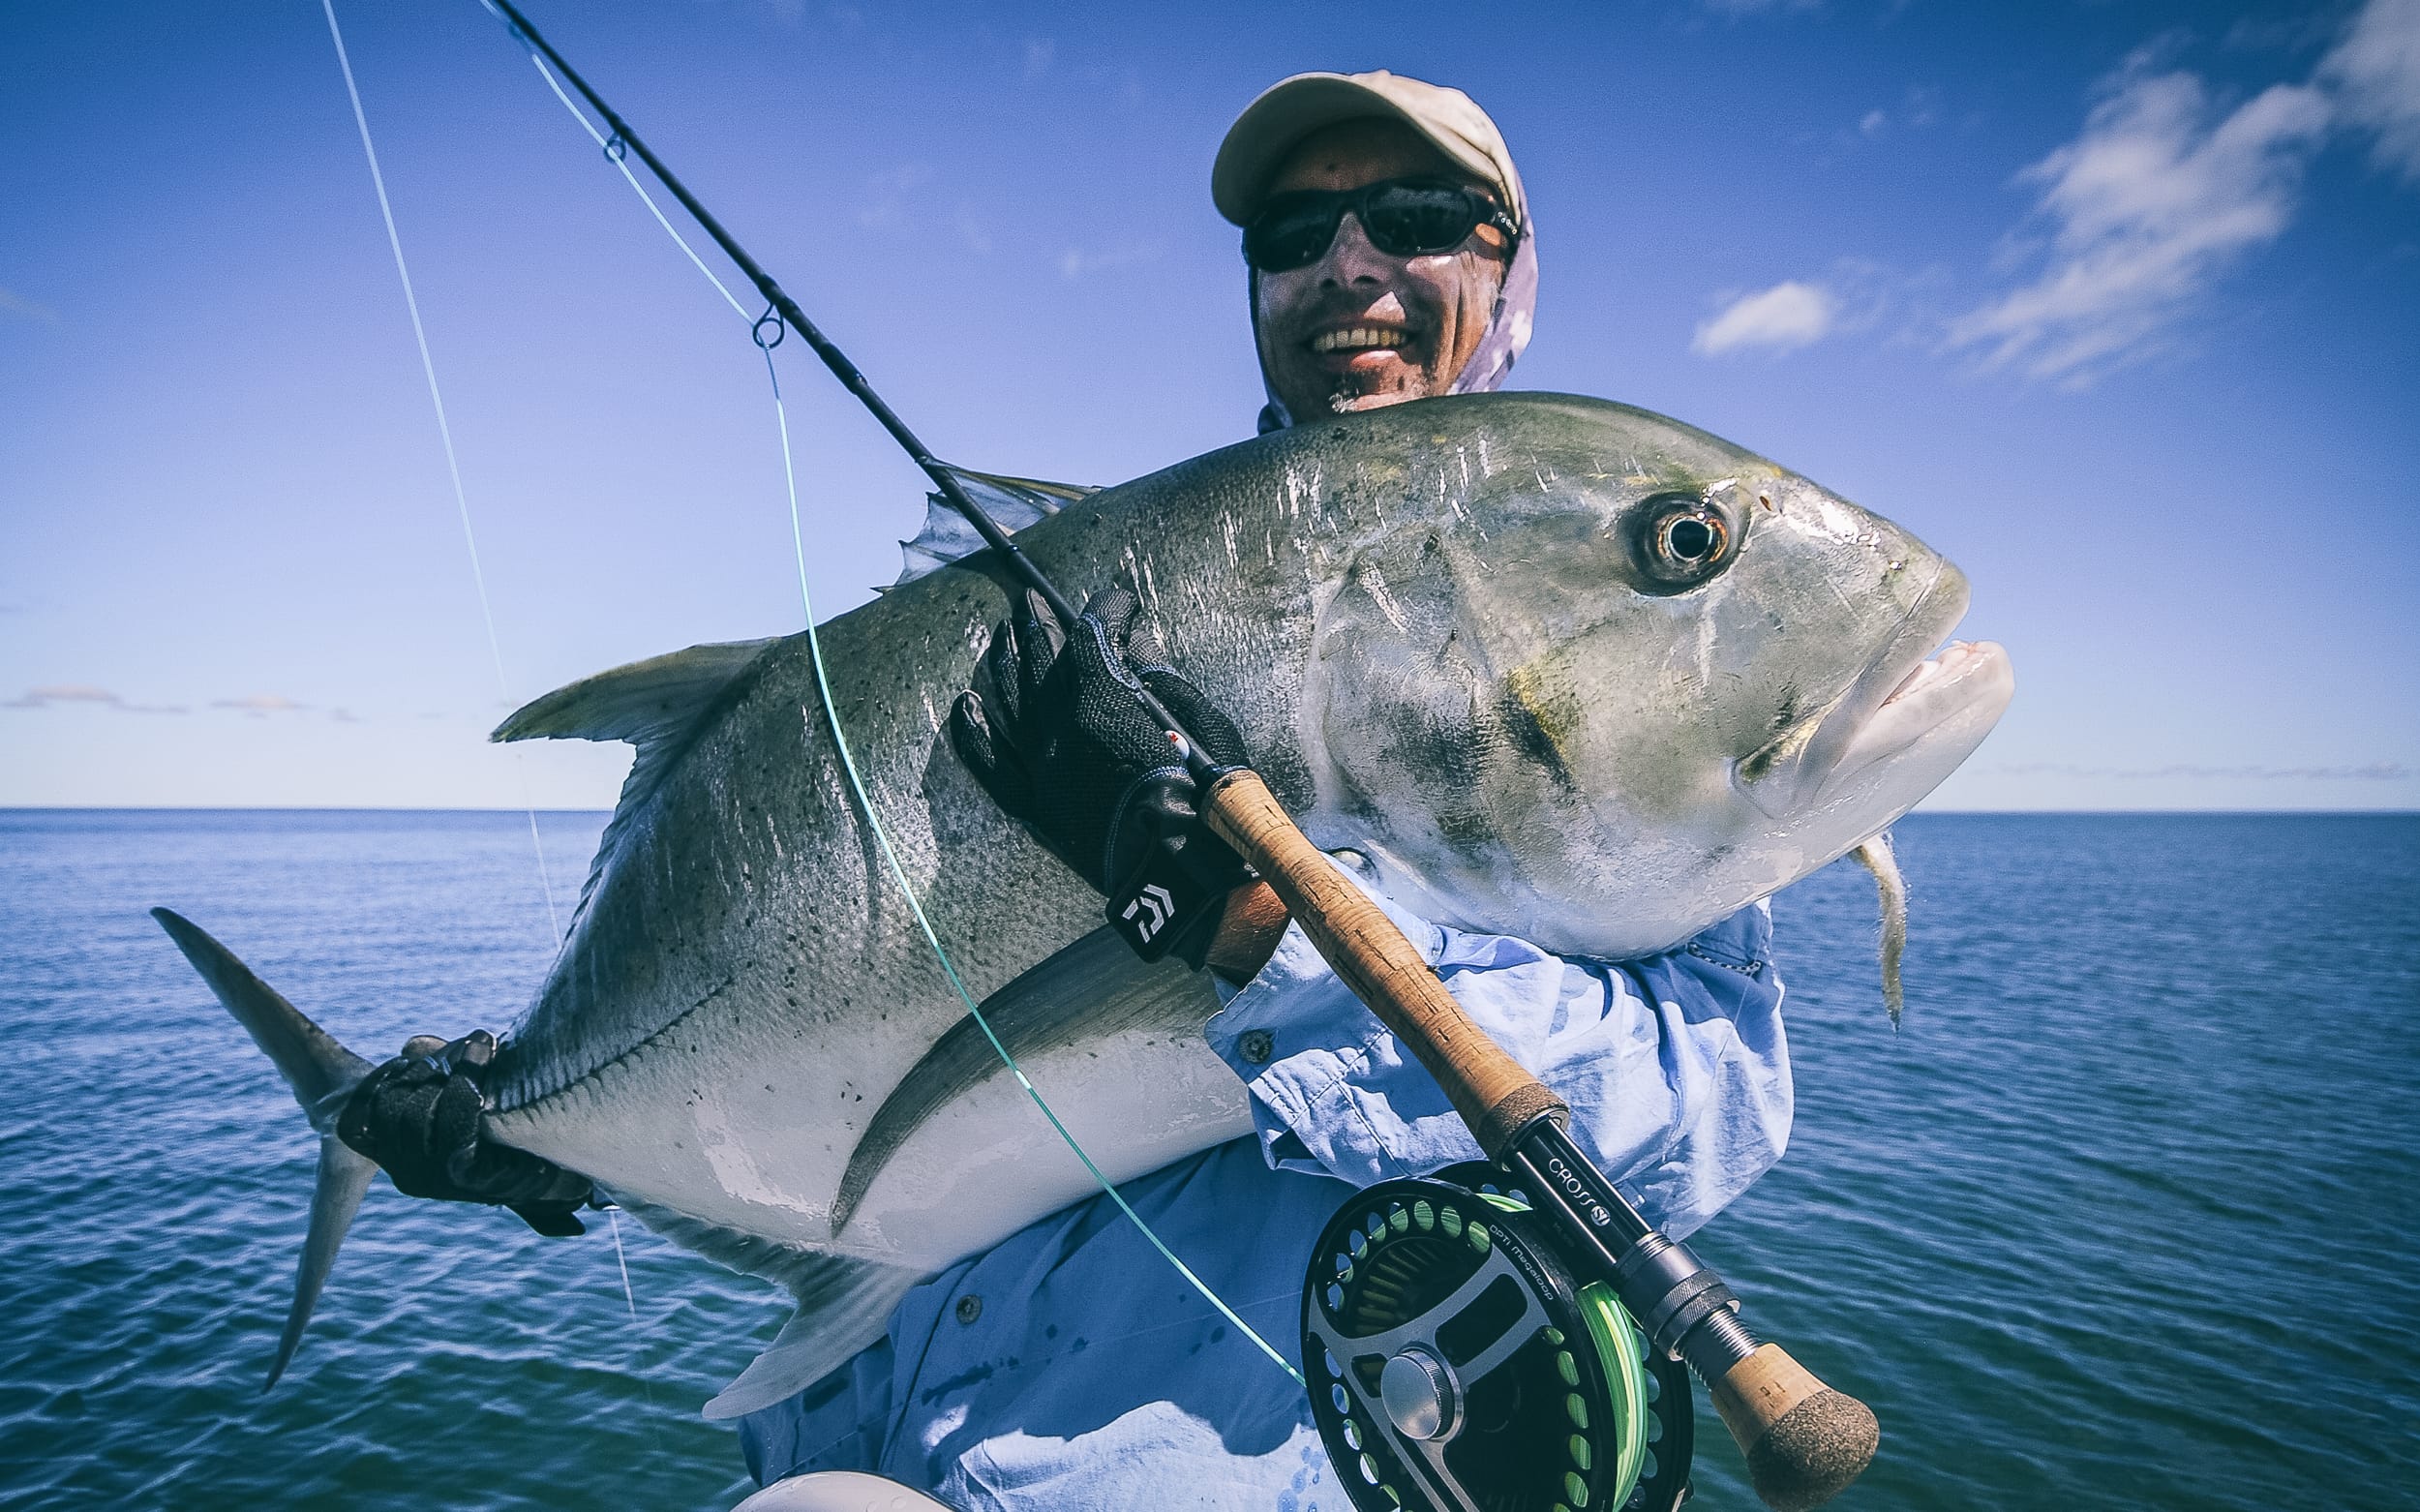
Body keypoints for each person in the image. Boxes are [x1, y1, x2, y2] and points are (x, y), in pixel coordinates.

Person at [339, 73, 1792, 1511]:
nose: (1348, 262)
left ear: (1508, 273)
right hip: (863, 1431)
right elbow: (808, 1030)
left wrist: (1255, 938)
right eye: (1293, 233)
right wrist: (547, 1137)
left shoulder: (1643, 713)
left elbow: (1704, 1104)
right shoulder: (1076, 627)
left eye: (1413, 216)